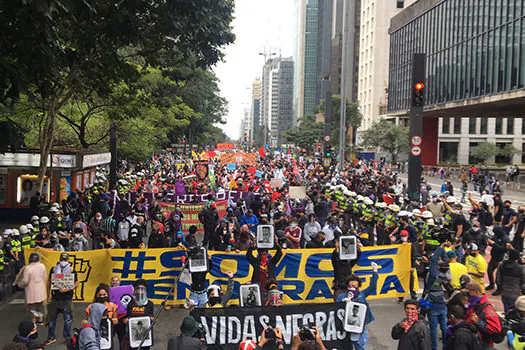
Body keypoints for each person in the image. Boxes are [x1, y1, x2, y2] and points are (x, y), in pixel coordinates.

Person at [336, 262, 379, 350]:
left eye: (354, 286)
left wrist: (375, 272)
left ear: (358, 286)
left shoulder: (362, 295)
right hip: (344, 328)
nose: (352, 287)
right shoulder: (341, 297)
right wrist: (342, 305)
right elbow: (335, 310)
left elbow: (372, 286)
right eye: (350, 286)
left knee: (359, 346)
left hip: (359, 327)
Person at [44, 253, 79, 346]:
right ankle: (51, 337)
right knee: (51, 319)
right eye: (62, 260)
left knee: (68, 320)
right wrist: (48, 295)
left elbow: (76, 283)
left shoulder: (72, 271)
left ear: (68, 261)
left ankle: (67, 338)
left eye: (65, 260)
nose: (63, 262)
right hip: (55, 298)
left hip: (67, 299)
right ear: (59, 260)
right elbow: (49, 282)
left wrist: (67, 289)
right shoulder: (54, 269)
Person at [463, 282, 503, 349]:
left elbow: (495, 328)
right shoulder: (473, 304)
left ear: (476, 293)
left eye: (468, 293)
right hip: (472, 340)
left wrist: (478, 322)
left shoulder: (487, 308)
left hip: (483, 344)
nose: (467, 296)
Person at [14, 253, 47, 325]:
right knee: (40, 304)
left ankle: (34, 320)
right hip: (41, 288)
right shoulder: (42, 266)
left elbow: (25, 281)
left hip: (31, 289)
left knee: (31, 306)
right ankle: (40, 319)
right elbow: (44, 277)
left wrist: (20, 284)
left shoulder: (27, 268)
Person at [124, 279, 154, 350]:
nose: (140, 291)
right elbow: (127, 315)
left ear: (145, 291)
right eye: (138, 289)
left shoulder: (149, 303)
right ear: (135, 291)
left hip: (145, 334)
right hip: (133, 334)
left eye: (142, 289)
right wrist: (126, 320)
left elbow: (152, 318)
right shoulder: (131, 302)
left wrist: (152, 319)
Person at [496, 248, 525, 313]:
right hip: (516, 294)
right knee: (516, 313)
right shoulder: (521, 268)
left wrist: (501, 288)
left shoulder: (501, 265)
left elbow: (498, 280)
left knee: (506, 311)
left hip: (504, 293)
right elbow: (524, 283)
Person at [486, 225, 511, 293]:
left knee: (499, 275)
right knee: (489, 271)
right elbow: (493, 242)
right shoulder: (496, 235)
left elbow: (504, 249)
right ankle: (492, 284)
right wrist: (490, 242)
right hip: (494, 256)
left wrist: (494, 244)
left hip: (500, 258)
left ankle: (499, 288)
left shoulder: (505, 239)